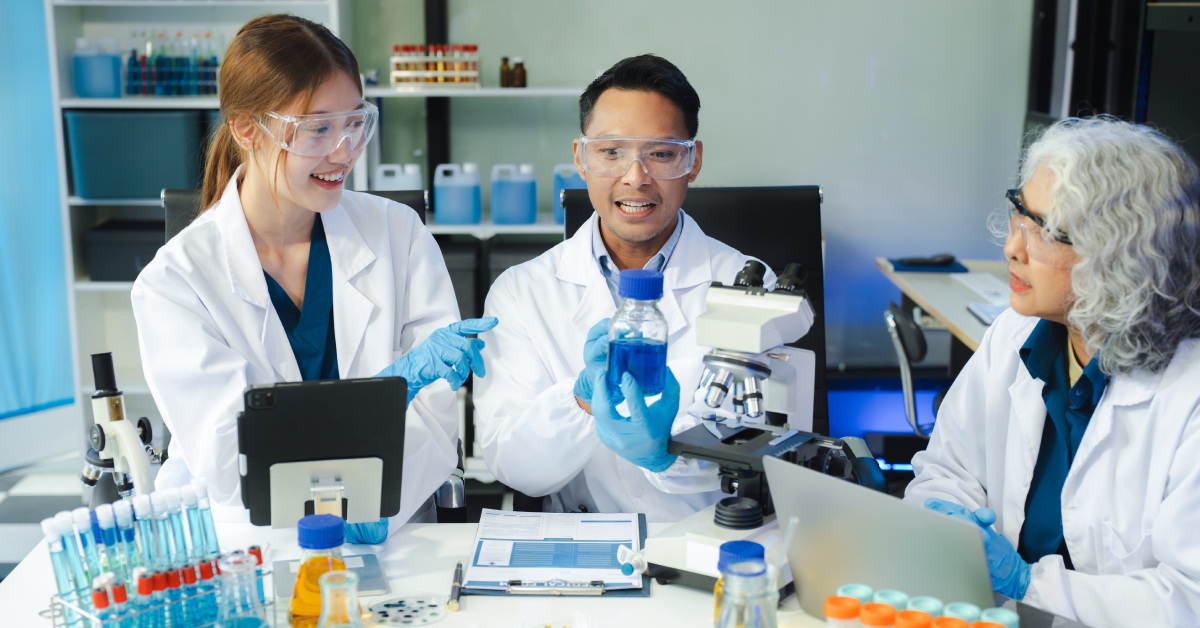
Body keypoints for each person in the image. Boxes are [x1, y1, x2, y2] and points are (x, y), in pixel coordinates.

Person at [131, 14, 496, 541]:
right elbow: (228, 456)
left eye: (354, 123)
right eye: (317, 129)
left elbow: (436, 418)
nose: (343, 151)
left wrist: (378, 505)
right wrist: (384, 401)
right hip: (252, 542)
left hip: (392, 530)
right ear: (247, 129)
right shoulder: (176, 282)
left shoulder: (399, 233)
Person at [905, 116, 1200, 626]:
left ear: (1119, 256)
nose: (1012, 249)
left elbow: (1187, 599)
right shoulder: (1015, 336)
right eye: (1019, 216)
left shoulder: (1187, 395)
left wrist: (1027, 585)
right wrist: (942, 519)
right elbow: (947, 470)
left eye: (1042, 232)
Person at [473, 54, 775, 521]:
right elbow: (514, 466)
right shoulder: (522, 292)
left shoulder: (749, 287)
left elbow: (762, 453)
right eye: (611, 151)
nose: (636, 177)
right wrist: (580, 399)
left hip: (709, 539)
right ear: (581, 158)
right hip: (578, 548)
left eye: (660, 153)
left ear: (692, 161)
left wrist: (665, 455)